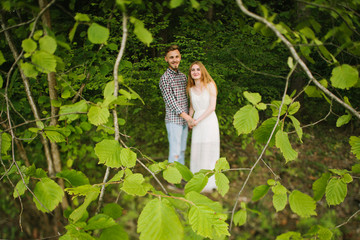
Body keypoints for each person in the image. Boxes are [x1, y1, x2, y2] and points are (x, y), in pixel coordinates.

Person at [187, 61, 220, 192]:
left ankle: (210, 184)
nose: (195, 72)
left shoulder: (210, 85)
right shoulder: (190, 89)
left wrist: (197, 120)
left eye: (198, 69)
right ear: (190, 73)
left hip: (209, 121)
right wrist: (190, 120)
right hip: (196, 124)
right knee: (197, 151)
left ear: (202, 72)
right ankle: (196, 183)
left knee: (209, 151)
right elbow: (191, 107)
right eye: (192, 70)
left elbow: (212, 107)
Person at [159, 45, 194, 165]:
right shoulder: (165, 78)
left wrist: (189, 118)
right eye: (171, 57)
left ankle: (181, 177)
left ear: (180, 58)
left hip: (184, 121)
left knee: (182, 150)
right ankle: (172, 180)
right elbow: (171, 102)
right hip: (174, 121)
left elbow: (187, 98)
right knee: (175, 151)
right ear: (166, 59)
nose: (174, 60)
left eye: (177, 57)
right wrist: (188, 118)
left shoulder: (183, 76)